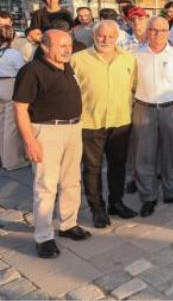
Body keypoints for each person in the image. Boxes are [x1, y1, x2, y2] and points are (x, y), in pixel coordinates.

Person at [13, 30, 91, 258]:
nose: (67, 50)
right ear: (46, 47)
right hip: (46, 132)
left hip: (72, 129)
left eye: (69, 45)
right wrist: (30, 141)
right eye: (61, 46)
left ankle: (68, 224)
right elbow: (19, 108)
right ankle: (43, 236)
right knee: (46, 186)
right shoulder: (31, 71)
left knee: (72, 181)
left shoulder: (67, 67)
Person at [71, 20, 138, 228]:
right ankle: (97, 209)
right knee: (92, 168)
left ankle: (116, 203)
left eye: (110, 36)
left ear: (117, 37)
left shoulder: (128, 59)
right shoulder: (77, 59)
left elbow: (134, 87)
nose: (106, 40)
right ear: (93, 36)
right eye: (101, 35)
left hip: (120, 121)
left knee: (118, 165)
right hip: (90, 122)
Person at [132, 17, 173, 217]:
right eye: (153, 30)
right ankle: (148, 196)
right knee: (144, 155)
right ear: (147, 31)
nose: (158, 34)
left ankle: (172, 192)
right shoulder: (136, 55)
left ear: (168, 32)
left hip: (171, 108)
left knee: (171, 152)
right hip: (143, 108)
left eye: (163, 30)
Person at [0, 25, 27, 170]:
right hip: (10, 85)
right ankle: (12, 161)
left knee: (2, 124)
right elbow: (23, 72)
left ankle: (4, 158)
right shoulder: (13, 53)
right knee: (10, 126)